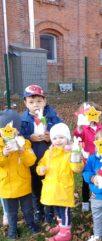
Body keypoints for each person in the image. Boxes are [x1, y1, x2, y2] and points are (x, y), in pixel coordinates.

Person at [20, 85, 62, 224]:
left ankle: (51, 209)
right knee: (35, 187)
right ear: (25, 103)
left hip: (50, 161)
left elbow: (62, 133)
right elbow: (18, 137)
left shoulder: (52, 117)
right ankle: (39, 210)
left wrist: (51, 137)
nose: (35, 105)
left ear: (44, 101)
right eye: (31, 102)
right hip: (32, 161)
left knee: (50, 185)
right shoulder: (23, 120)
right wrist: (28, 137)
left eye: (39, 101)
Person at [36, 123, 83, 241]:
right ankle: (61, 225)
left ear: (67, 138)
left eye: (61, 137)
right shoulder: (49, 153)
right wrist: (40, 169)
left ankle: (65, 233)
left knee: (64, 210)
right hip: (51, 188)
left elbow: (76, 169)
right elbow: (41, 163)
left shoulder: (70, 153)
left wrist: (76, 156)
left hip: (63, 189)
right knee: (57, 209)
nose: (58, 141)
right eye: (55, 138)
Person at [0, 109, 39, 239]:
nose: (9, 133)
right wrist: (3, 154)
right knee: (11, 211)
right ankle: (13, 228)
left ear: (18, 129)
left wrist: (23, 151)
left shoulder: (24, 142)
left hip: (23, 184)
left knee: (28, 208)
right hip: (7, 185)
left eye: (13, 129)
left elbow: (31, 161)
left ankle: (31, 223)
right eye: (5, 130)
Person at [74, 102, 102, 212]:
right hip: (87, 160)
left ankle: (96, 198)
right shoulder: (83, 129)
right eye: (86, 114)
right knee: (86, 182)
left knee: (98, 179)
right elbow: (77, 135)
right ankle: (85, 201)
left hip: (99, 159)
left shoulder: (101, 128)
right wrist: (80, 128)